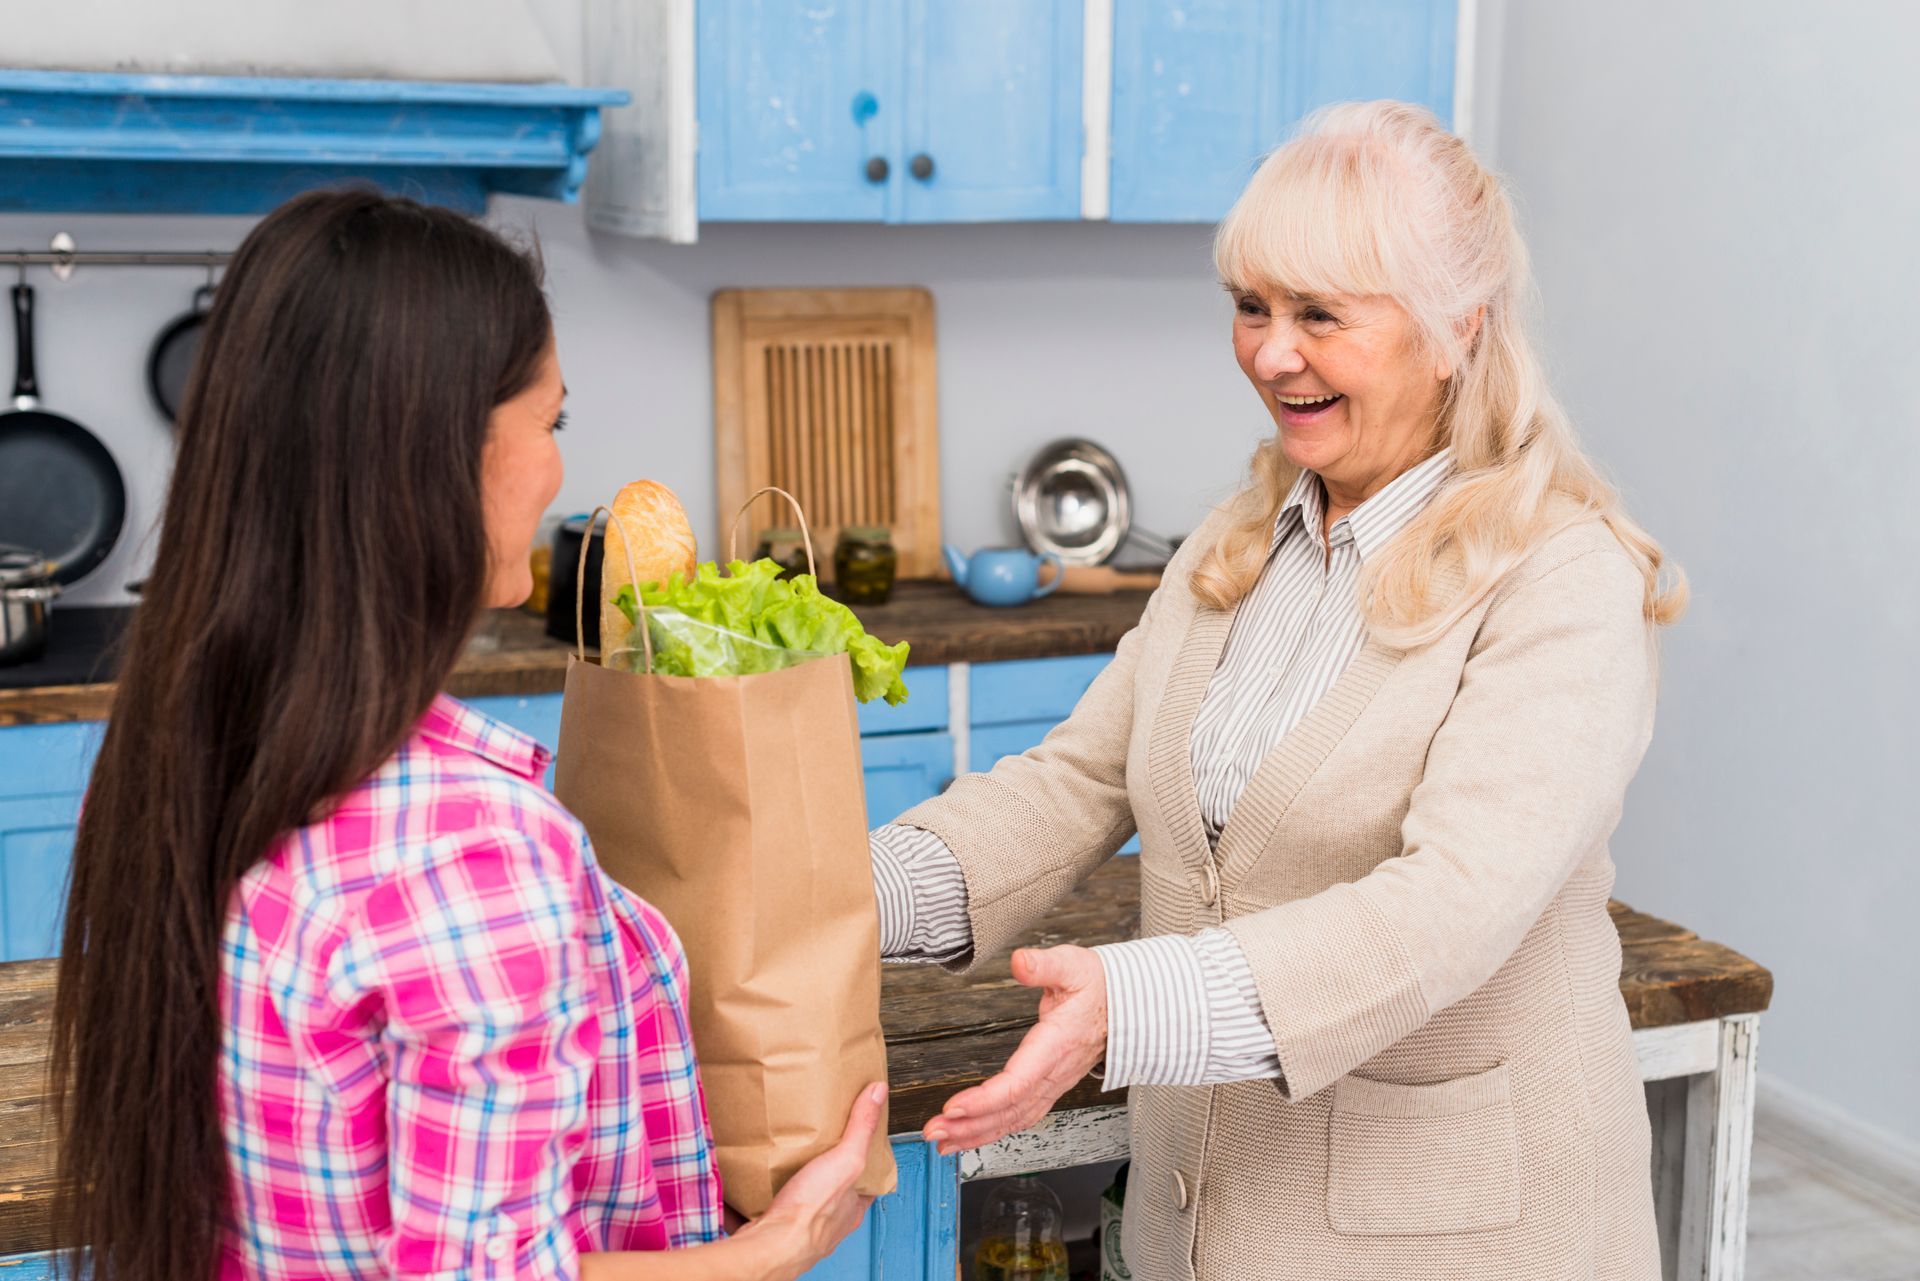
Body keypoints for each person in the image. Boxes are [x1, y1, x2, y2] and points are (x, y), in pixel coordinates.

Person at [871, 100, 1687, 1280]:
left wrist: (1130, 1000)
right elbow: (1074, 782)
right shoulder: (1243, 540)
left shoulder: (1561, 577)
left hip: (1456, 1243)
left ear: (1456, 326)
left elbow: (1450, 906)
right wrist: (841, 898)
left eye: (1319, 314)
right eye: (1251, 305)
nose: (1269, 352)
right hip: (1201, 1232)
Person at [54, 190, 879, 1281]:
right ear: (438, 455)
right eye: (552, 423)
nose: (557, 475)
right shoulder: (470, 848)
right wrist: (770, 1252)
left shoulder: (194, 736)